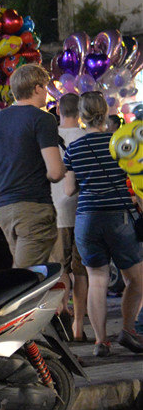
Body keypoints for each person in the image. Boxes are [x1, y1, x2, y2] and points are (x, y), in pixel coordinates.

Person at [62, 92, 143, 356]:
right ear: (106, 112)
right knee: (136, 279)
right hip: (118, 216)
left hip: (86, 218)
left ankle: (100, 342)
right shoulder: (119, 143)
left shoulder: (73, 149)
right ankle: (128, 330)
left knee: (96, 279)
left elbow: (69, 189)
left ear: (82, 116)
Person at [0, 63, 64, 267]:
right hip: (33, 206)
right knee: (29, 278)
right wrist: (62, 169)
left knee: (25, 271)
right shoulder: (43, 119)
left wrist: (13, 171)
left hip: (4, 209)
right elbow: (54, 172)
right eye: (45, 87)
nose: (47, 93)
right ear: (36, 88)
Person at [52, 94, 88, 341]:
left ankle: (61, 315)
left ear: (58, 111)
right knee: (82, 271)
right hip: (83, 211)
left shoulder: (48, 138)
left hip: (55, 211)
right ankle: (78, 326)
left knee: (60, 269)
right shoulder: (88, 137)